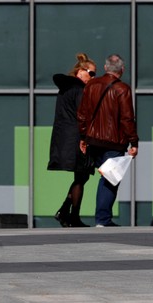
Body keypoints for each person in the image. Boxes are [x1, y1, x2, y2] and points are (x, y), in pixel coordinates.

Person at [76, 54, 138, 227]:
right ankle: (102, 220)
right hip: (114, 142)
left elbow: (82, 114)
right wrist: (134, 142)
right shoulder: (123, 89)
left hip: (93, 140)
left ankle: (102, 218)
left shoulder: (91, 85)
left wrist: (83, 137)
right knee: (110, 179)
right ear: (122, 70)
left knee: (103, 177)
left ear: (105, 68)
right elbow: (127, 119)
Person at [47, 53, 98, 227]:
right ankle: (71, 215)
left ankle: (66, 212)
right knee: (82, 175)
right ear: (80, 71)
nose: (93, 78)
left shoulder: (65, 89)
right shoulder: (79, 90)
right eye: (91, 73)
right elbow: (83, 116)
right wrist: (85, 138)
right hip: (77, 138)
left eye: (94, 74)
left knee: (81, 176)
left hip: (66, 138)